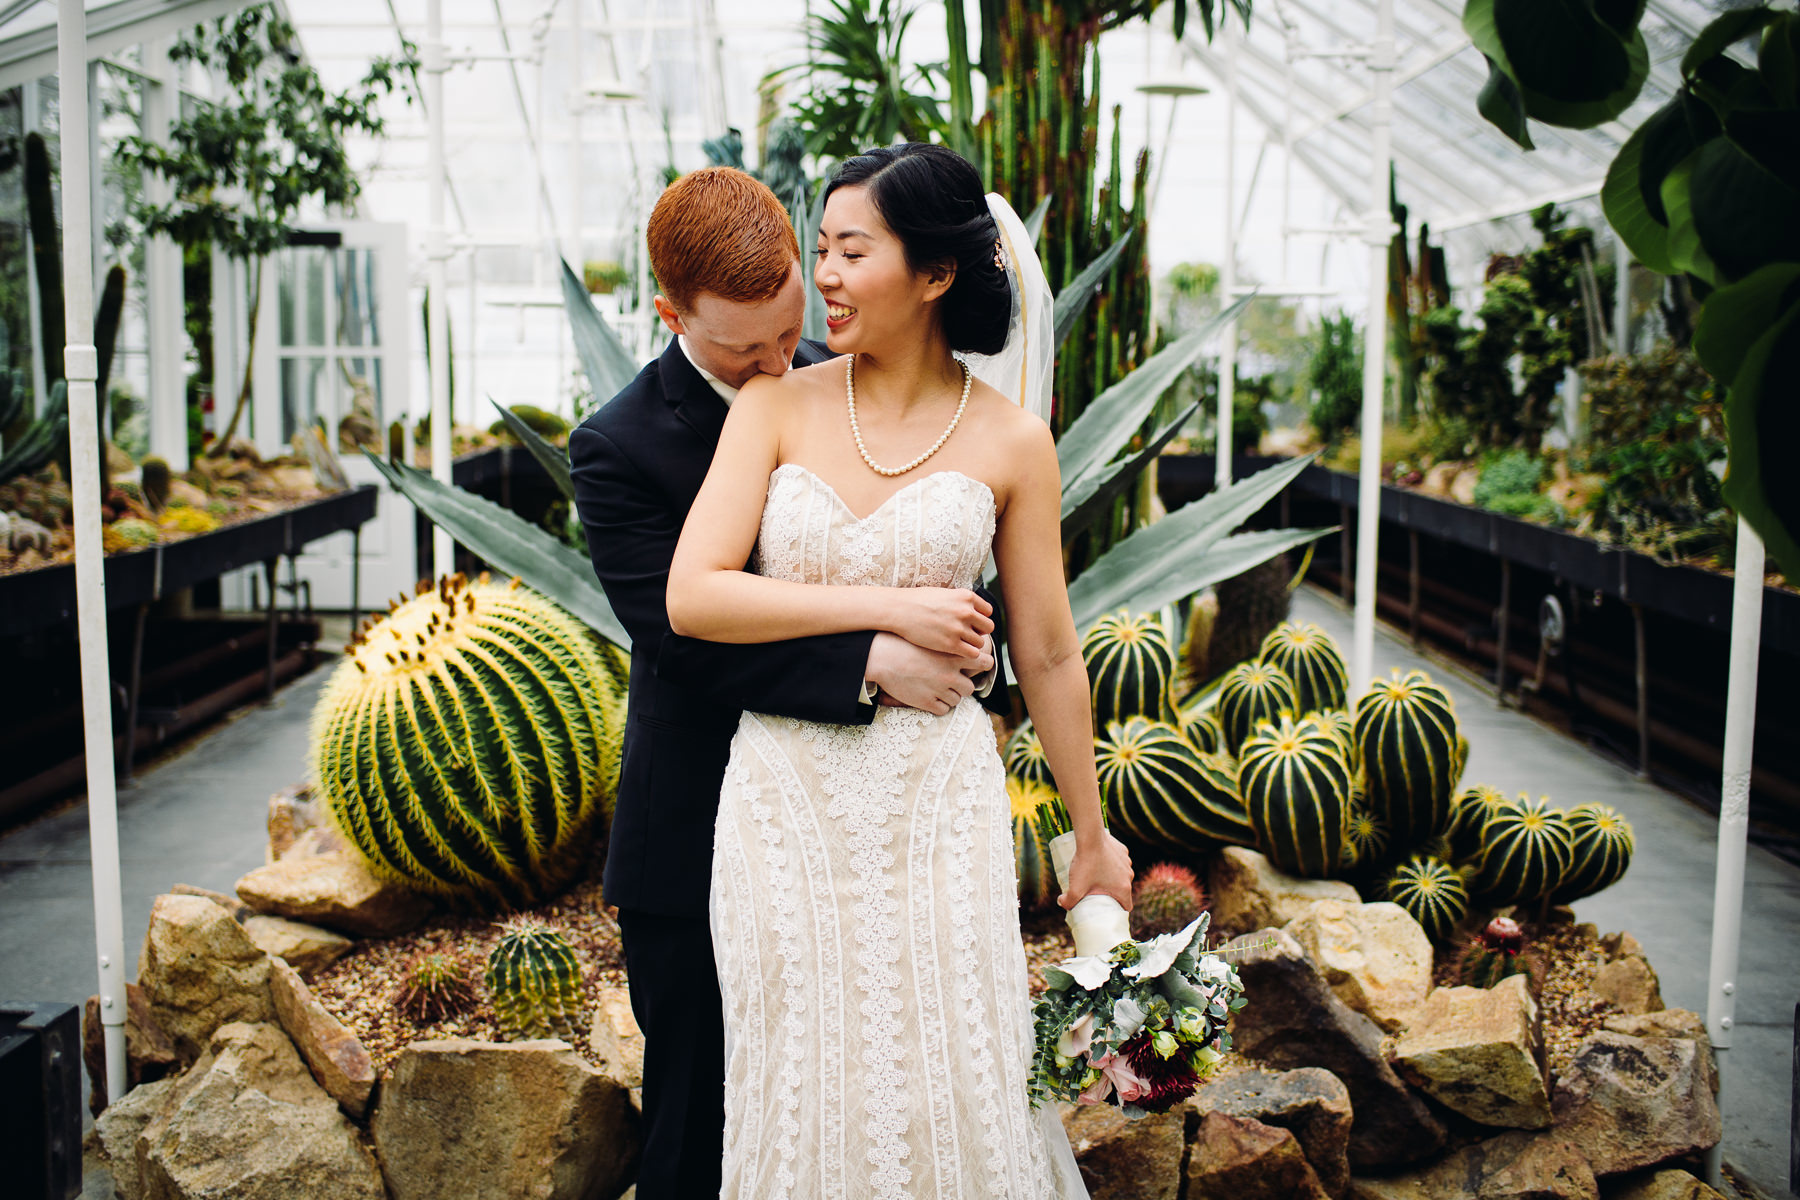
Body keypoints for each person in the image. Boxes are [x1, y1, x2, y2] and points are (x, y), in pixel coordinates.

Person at [666, 142, 1134, 1197]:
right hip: (784, 807)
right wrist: (888, 608)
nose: (821, 274)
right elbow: (694, 595)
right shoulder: (774, 407)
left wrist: (1092, 836)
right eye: (820, 247)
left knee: (952, 1073)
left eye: (851, 250)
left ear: (934, 275)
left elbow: (1050, 651)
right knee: (801, 1085)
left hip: (937, 808)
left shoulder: (1015, 441)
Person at [568, 166, 1009, 1200]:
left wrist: (962, 648)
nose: (776, 360)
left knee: (849, 1111)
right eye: (741, 348)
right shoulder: (616, 447)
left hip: (857, 832)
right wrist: (870, 661)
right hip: (694, 828)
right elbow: (685, 642)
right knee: (703, 1126)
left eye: (788, 330)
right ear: (670, 312)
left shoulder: (841, 383)